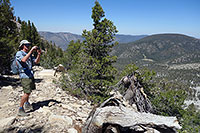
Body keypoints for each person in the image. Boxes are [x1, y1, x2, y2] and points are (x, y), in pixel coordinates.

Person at [16, 40, 41, 116]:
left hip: (30, 74)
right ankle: (20, 108)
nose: (28, 46)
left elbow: (36, 62)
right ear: (22, 45)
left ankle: (27, 103)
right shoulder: (19, 53)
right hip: (24, 75)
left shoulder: (28, 54)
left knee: (29, 91)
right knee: (27, 92)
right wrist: (31, 51)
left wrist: (39, 54)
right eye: (26, 45)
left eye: (29, 45)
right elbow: (23, 60)